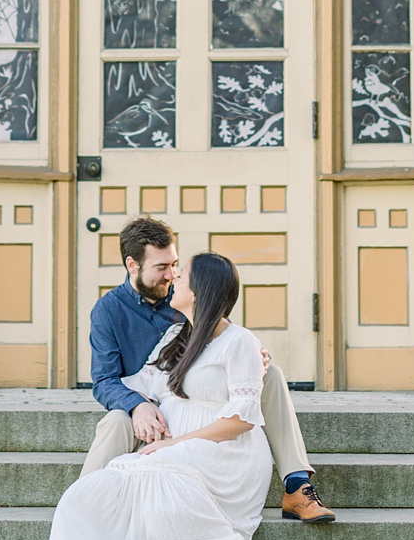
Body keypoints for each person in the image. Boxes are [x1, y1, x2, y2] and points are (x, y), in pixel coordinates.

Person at [26, 251, 283, 540]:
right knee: (101, 489)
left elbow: (242, 420)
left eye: (182, 276)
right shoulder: (176, 337)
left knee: (149, 471)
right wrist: (137, 406)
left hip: (227, 454)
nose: (173, 279)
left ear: (201, 290)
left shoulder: (240, 341)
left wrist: (174, 443)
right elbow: (137, 383)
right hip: (178, 453)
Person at [82, 216, 335, 523]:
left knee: (270, 374)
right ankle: (83, 507)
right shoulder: (108, 311)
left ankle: (296, 484)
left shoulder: (185, 296)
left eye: (174, 265)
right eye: (161, 268)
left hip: (196, 395)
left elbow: (223, 338)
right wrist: (137, 406)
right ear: (132, 265)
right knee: (114, 421)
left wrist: (252, 359)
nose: (171, 275)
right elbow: (105, 380)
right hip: (148, 403)